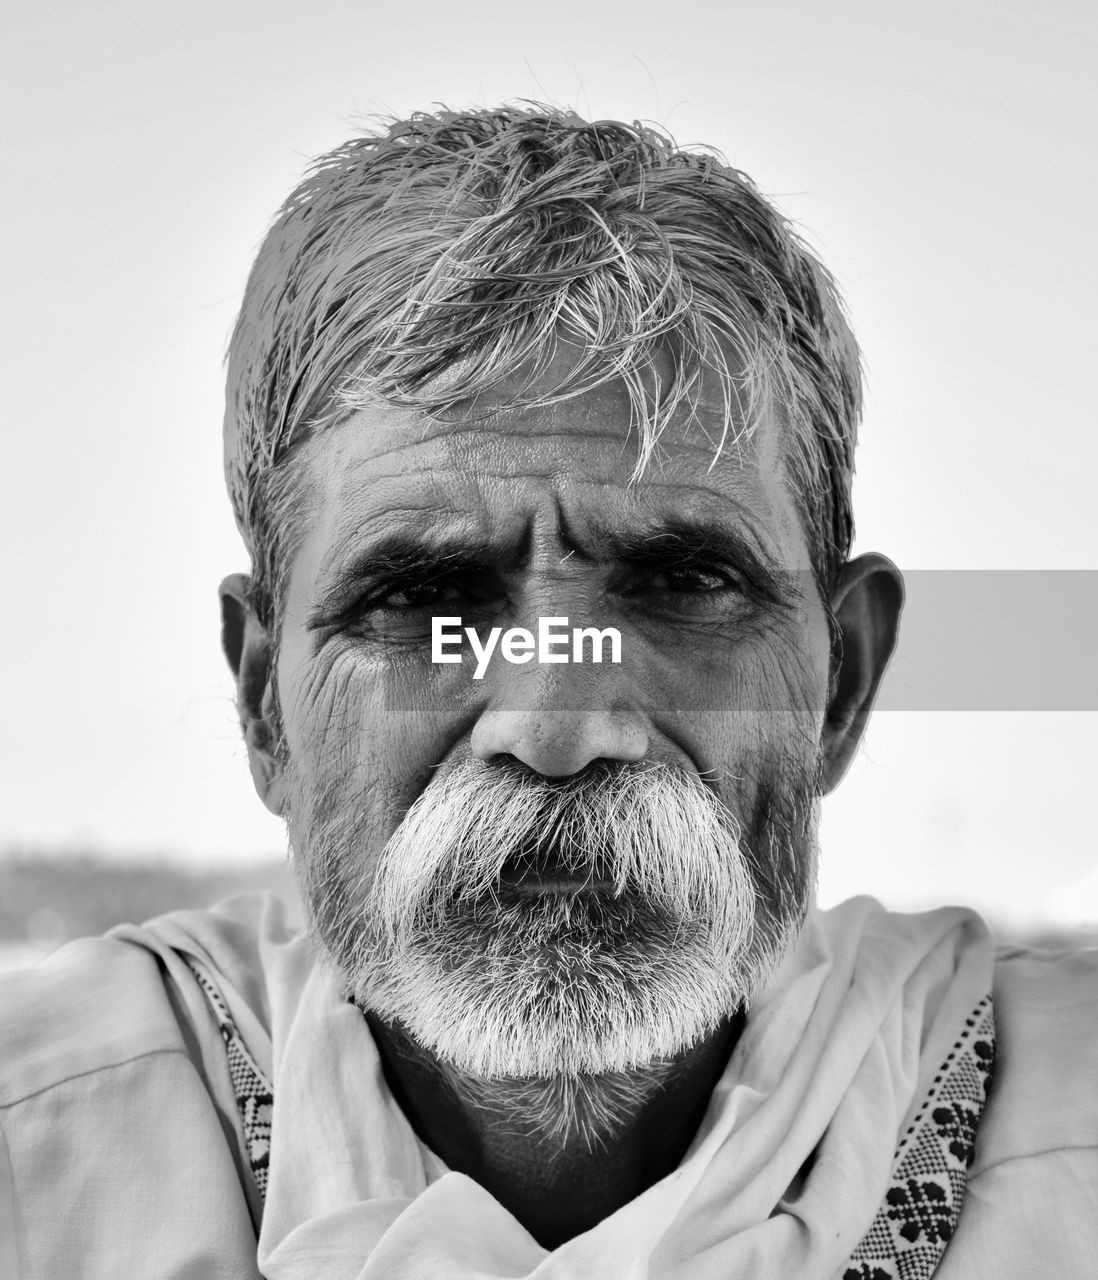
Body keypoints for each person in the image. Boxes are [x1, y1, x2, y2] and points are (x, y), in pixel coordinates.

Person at [1, 105, 1095, 1279]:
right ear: (268, 703)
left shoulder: (1062, 1142)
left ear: (842, 682)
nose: (561, 727)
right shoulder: (43, 1152)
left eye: (683, 582)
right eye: (424, 597)